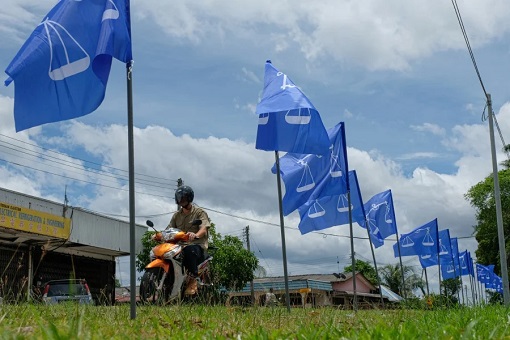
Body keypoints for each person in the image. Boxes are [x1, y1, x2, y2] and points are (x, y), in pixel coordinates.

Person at [166, 185, 210, 295]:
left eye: (184, 197)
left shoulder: (199, 212)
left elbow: (203, 228)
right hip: (179, 246)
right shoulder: (176, 215)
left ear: (190, 198)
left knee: (190, 250)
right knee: (164, 252)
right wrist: (158, 235)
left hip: (196, 245)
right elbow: (169, 229)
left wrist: (195, 235)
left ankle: (192, 280)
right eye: (179, 197)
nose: (181, 200)